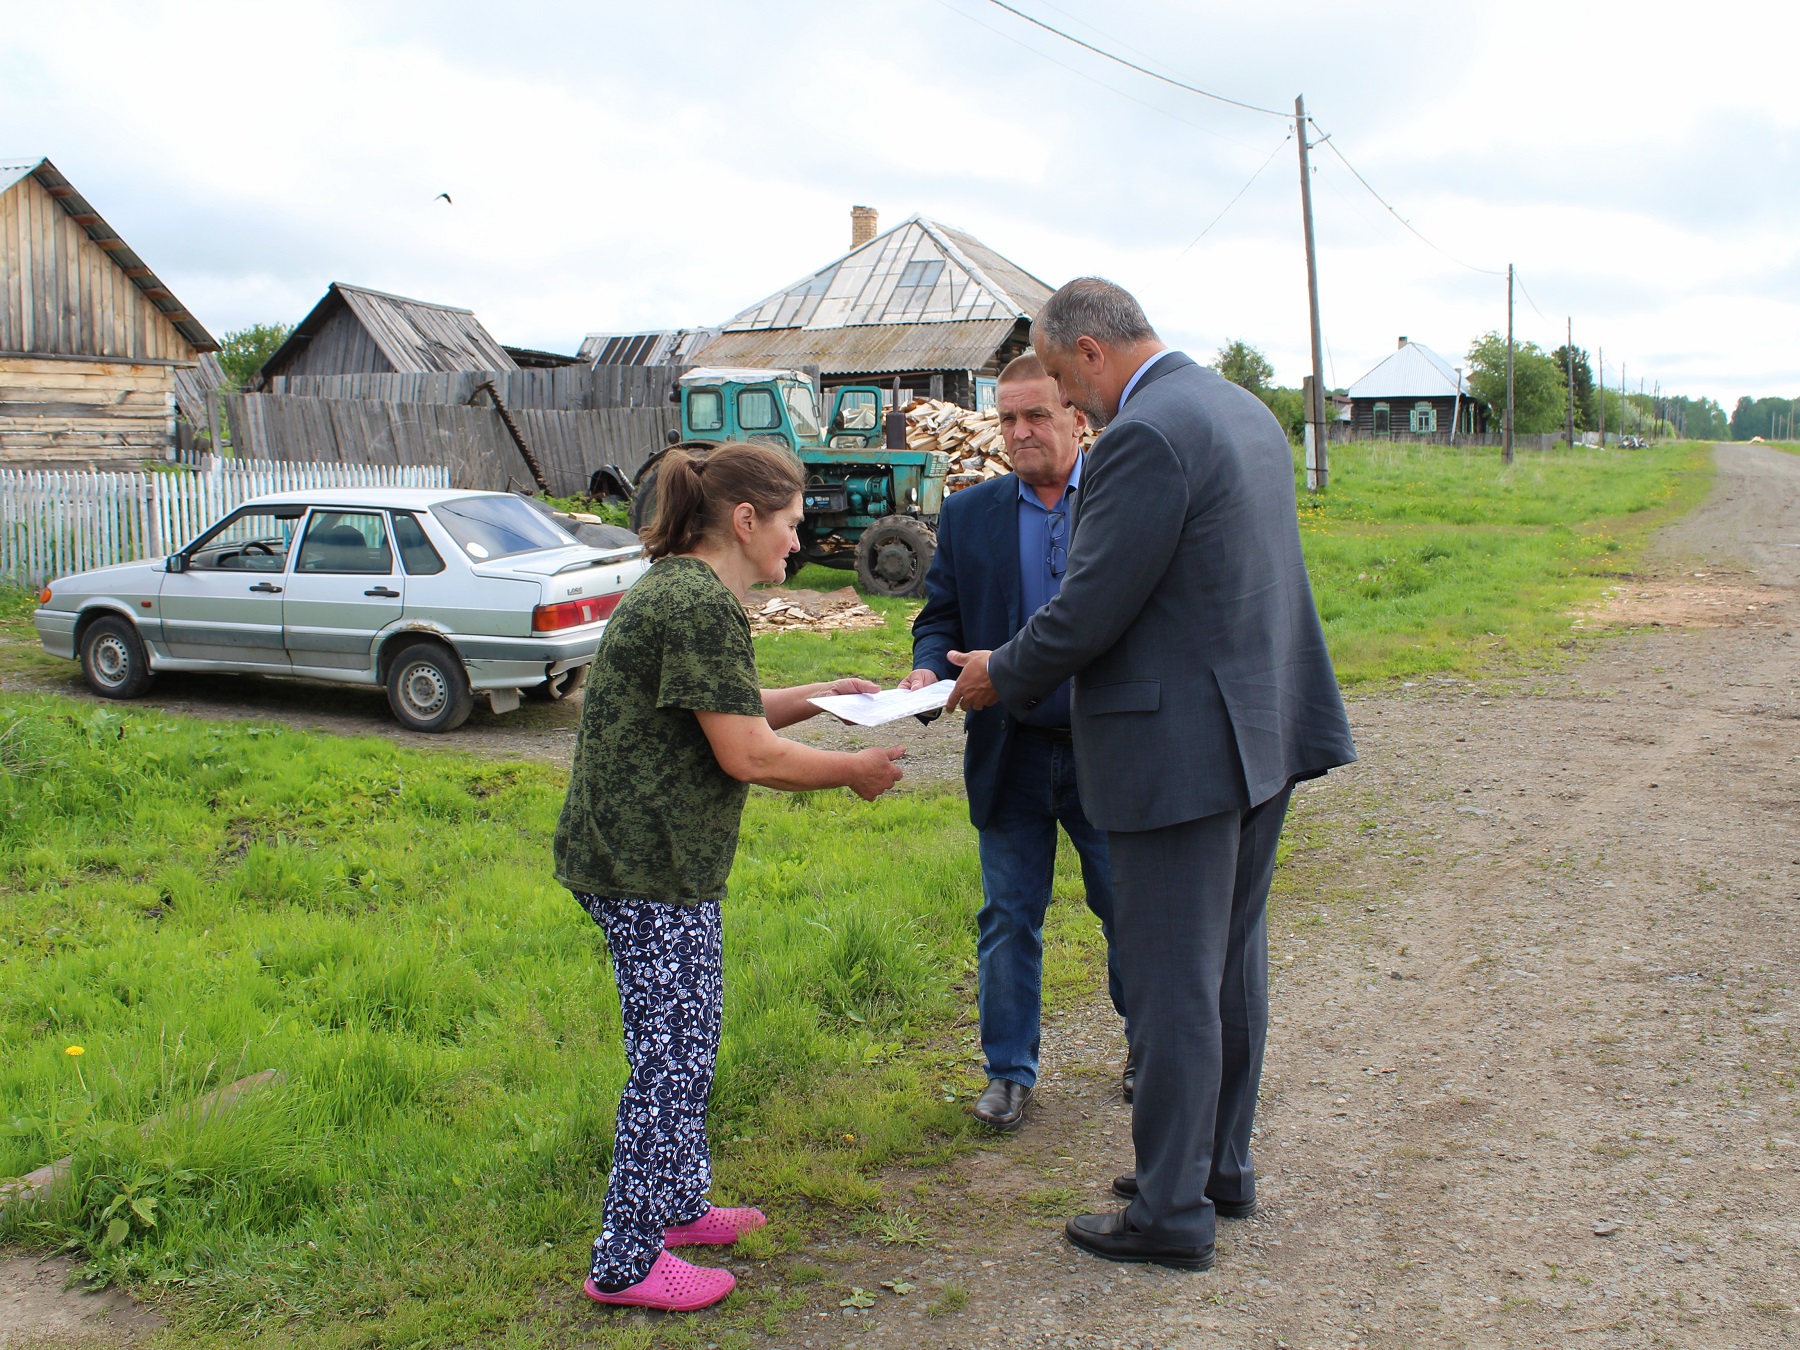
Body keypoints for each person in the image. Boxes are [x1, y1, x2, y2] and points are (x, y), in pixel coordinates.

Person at [945, 279, 1356, 1272]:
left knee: (1175, 984)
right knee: (1230, 967)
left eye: (1060, 381)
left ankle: (1172, 1212)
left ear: (1089, 354)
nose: (1069, 407)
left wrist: (996, 672)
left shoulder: (1142, 434)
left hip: (1180, 753)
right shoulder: (1239, 409)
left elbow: (1090, 608)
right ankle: (1218, 1167)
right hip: (1260, 732)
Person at [553, 441, 906, 1312]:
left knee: (689, 1037)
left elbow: (726, 710)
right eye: (790, 525)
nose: (797, 542)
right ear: (745, 522)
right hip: (647, 868)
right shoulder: (695, 603)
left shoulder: (685, 590)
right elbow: (748, 752)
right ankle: (626, 1261)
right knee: (669, 1058)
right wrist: (852, 766)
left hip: (647, 861)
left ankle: (676, 1205)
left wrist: (824, 691)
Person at [903, 352, 1128, 1133]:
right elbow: (941, 616)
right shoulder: (973, 514)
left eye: (1037, 415)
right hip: (1011, 750)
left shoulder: (1121, 499)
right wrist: (926, 671)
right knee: (1007, 916)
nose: (1021, 431)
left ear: (1077, 416)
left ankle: (1149, 1045)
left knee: (1127, 908)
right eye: (1008, 418)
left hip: (1109, 750)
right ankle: (1008, 1073)